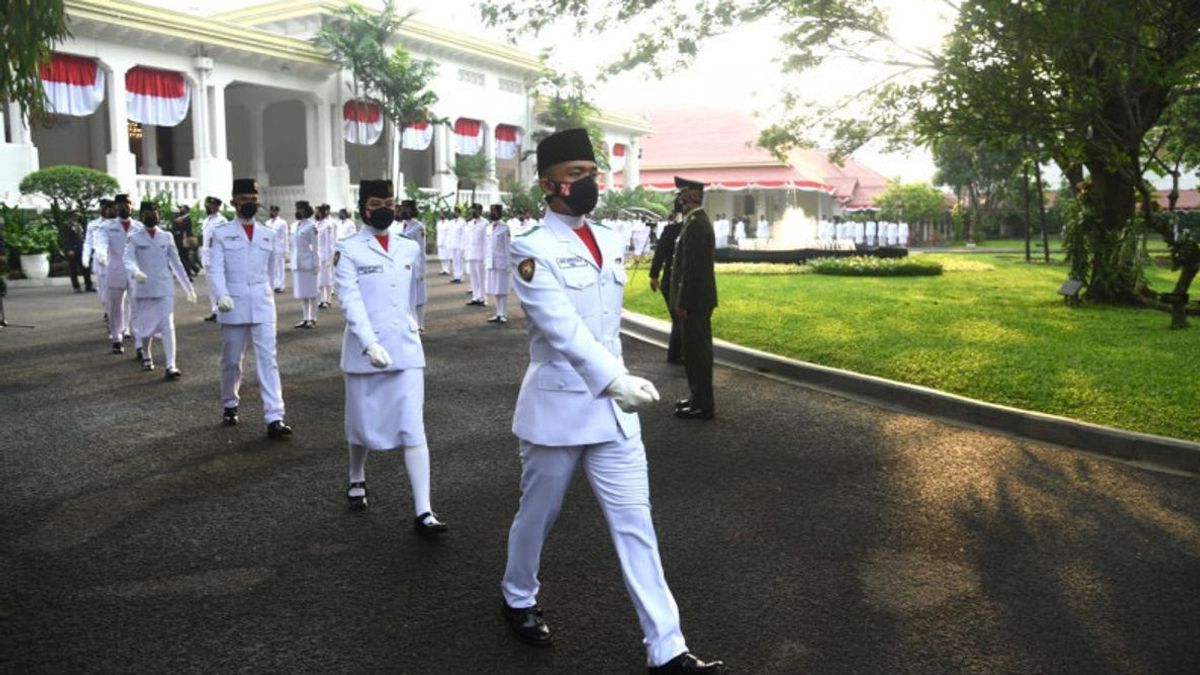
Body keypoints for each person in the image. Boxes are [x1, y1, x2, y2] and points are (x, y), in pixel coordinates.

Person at [500, 128, 726, 675]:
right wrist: (613, 379)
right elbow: (561, 329)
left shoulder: (606, 237)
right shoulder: (531, 245)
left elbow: (606, 325)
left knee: (636, 526)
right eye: (576, 175)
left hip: (613, 412)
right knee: (539, 514)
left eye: (591, 173)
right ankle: (517, 594)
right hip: (559, 406)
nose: (589, 183)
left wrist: (616, 382)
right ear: (548, 184)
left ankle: (667, 648)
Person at [334, 179, 448, 534]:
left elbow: (416, 293)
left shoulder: (408, 247)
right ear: (362, 207)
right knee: (361, 424)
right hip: (364, 352)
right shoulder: (348, 248)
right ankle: (356, 475)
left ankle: (424, 511)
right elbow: (350, 302)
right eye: (375, 202)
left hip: (406, 348)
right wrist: (369, 344)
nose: (384, 208)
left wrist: (417, 325)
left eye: (389, 201)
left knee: (413, 426)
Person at [208, 178, 293, 439]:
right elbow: (215, 269)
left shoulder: (267, 233)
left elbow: (270, 270)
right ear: (234, 202)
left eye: (253, 200)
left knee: (268, 360)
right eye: (244, 200)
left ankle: (274, 416)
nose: (249, 204)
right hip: (232, 303)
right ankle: (230, 403)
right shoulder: (221, 233)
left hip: (262, 303)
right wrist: (221, 295)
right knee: (232, 360)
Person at [123, 200, 196, 377]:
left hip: (164, 288)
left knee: (167, 324)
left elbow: (176, 263)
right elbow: (128, 259)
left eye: (155, 212)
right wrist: (135, 272)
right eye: (149, 213)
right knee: (145, 326)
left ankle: (171, 365)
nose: (153, 216)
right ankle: (147, 355)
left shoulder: (166, 236)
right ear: (142, 216)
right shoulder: (134, 237)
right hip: (143, 288)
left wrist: (188, 288)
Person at [669, 177, 718, 421]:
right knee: (693, 351)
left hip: (695, 301)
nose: (679, 199)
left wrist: (683, 302)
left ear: (695, 197)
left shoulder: (697, 224)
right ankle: (697, 396)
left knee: (698, 353)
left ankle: (702, 404)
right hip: (696, 300)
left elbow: (692, 269)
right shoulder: (693, 222)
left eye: (683, 194)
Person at [95, 194, 141, 353]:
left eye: (127, 204)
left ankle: (140, 342)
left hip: (135, 272)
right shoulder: (106, 227)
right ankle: (116, 338)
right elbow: (100, 243)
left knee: (136, 306)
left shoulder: (139, 227)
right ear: (116, 207)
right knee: (115, 307)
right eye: (120, 204)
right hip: (115, 269)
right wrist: (101, 255)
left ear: (132, 206)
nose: (124, 207)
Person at [648, 211, 683, 365]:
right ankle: (677, 354)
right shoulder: (675, 230)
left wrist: (654, 276)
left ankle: (675, 353)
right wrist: (654, 275)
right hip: (672, 280)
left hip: (670, 280)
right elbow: (660, 253)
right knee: (678, 318)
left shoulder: (672, 230)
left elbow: (659, 253)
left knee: (678, 319)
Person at [398, 200, 428, 330]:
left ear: (412, 210)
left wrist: (421, 269)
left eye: (406, 208)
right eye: (402, 208)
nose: (403, 211)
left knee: (419, 296)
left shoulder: (418, 226)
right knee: (407, 296)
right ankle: (410, 322)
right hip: (404, 266)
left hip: (415, 266)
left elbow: (421, 249)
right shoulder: (401, 226)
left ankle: (420, 324)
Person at [292, 201, 320, 329]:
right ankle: (305, 318)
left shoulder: (311, 226)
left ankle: (312, 319)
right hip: (298, 263)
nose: (298, 211)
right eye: (297, 209)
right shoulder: (296, 225)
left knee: (312, 293)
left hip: (308, 263)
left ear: (306, 210)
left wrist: (316, 263)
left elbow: (315, 247)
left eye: (300, 209)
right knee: (303, 293)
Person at [200, 197, 228, 321]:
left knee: (218, 285)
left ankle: (223, 309)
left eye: (213, 205)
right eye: (209, 205)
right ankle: (215, 310)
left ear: (217, 206)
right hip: (207, 257)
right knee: (211, 286)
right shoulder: (207, 220)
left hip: (217, 257)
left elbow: (224, 239)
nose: (210, 207)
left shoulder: (221, 220)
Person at [483, 203, 511, 323]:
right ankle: (498, 313)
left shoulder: (505, 227)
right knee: (495, 288)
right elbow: (486, 246)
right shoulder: (488, 227)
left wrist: (509, 263)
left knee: (502, 289)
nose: (493, 214)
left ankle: (503, 313)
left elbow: (508, 247)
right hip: (491, 262)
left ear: (500, 213)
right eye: (492, 211)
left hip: (502, 262)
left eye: (495, 212)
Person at [59, 210, 93, 293]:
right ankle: (76, 287)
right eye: (75, 215)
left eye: (77, 215)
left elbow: (81, 237)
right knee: (73, 269)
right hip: (73, 250)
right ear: (70, 215)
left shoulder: (78, 224)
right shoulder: (66, 225)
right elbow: (65, 239)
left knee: (85, 267)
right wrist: (69, 249)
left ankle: (88, 285)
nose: (77, 217)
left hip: (81, 249)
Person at [464, 203, 487, 306]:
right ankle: (475, 297)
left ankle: (482, 298)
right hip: (471, 254)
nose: (473, 212)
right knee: (473, 277)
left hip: (480, 254)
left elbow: (487, 240)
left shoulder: (485, 223)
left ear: (480, 211)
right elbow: (467, 240)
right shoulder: (469, 223)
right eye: (472, 210)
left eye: (476, 210)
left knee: (481, 277)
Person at [264, 205, 289, 293]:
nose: (272, 213)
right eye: (271, 211)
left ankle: (281, 285)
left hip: (279, 247)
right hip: (270, 247)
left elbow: (285, 236)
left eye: (274, 211)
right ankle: (274, 284)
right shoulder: (267, 222)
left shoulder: (282, 222)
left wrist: (286, 251)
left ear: (277, 212)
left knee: (280, 267)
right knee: (272, 267)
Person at [317, 204, 336, 308]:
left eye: (318, 212)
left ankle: (328, 299)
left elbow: (329, 242)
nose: (316, 213)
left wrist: (330, 257)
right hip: (318, 255)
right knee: (320, 279)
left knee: (327, 279)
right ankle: (321, 299)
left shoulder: (327, 225)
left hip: (325, 255)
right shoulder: (317, 224)